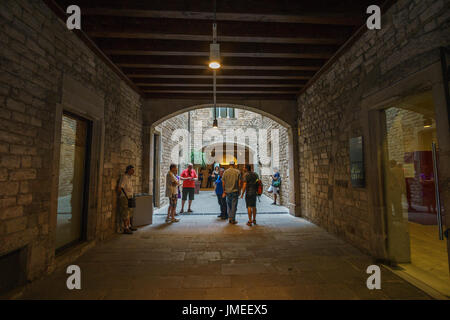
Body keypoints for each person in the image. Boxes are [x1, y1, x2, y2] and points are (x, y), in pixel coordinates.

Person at [117, 165, 136, 234]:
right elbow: (120, 187)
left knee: (130, 212)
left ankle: (129, 226)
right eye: (132, 170)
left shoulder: (129, 177)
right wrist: (120, 196)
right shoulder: (124, 177)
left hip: (130, 197)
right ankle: (126, 228)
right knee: (125, 212)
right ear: (128, 170)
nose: (133, 171)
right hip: (125, 197)